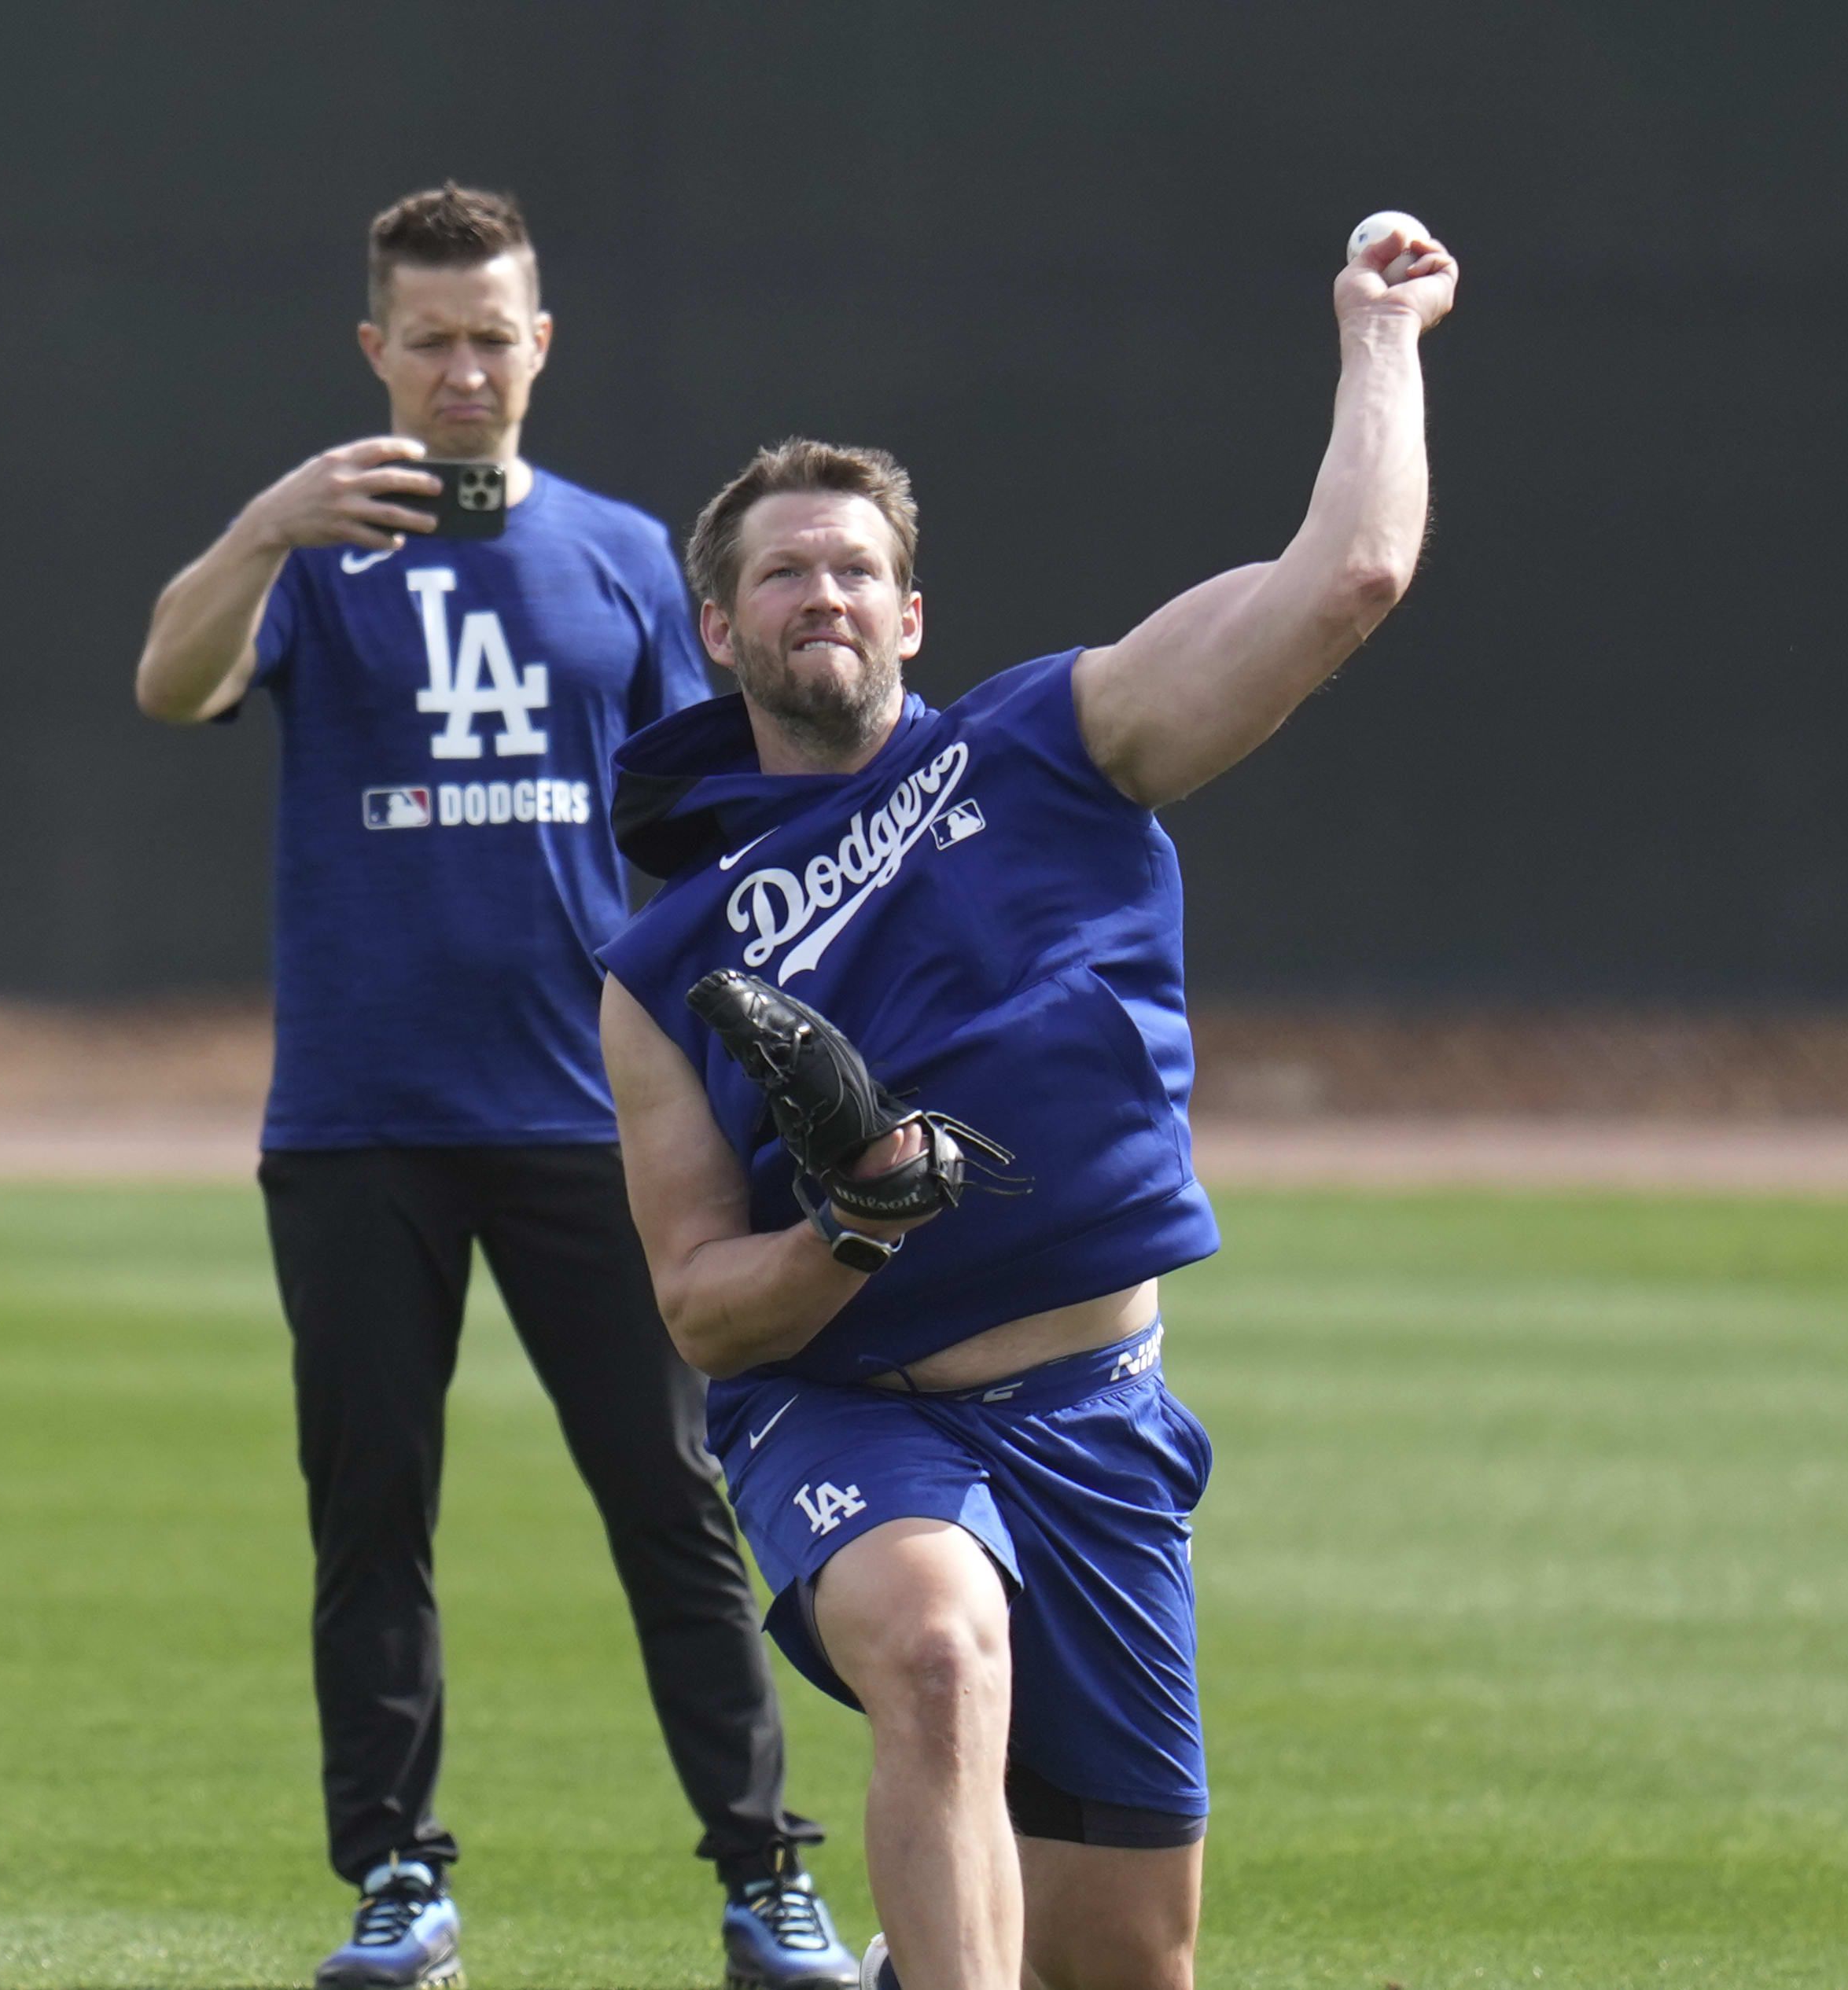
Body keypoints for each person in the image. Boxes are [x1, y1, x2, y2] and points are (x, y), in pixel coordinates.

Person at [597, 218, 1460, 1990]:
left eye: (854, 571)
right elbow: (699, 1304)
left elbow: (1348, 579)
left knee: (1125, 1964)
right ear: (718, 630)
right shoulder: (663, 962)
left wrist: (1380, 335)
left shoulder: (1058, 740)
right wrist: (855, 1224)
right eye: (781, 576)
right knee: (933, 1649)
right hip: (852, 1417)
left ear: (913, 615)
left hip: (1098, 1419)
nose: (821, 595)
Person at [133, 183, 856, 1990]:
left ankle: (765, 1875)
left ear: (544, 343)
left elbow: (706, 812)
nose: (464, 371)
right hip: (363, 1115)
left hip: (591, 1114)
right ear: (377, 352)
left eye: (493, 334)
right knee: (373, 1509)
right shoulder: (312, 553)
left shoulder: (615, 553)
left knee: (673, 1503)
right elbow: (168, 685)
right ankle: (396, 1880)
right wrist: (262, 526)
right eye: (430, 338)